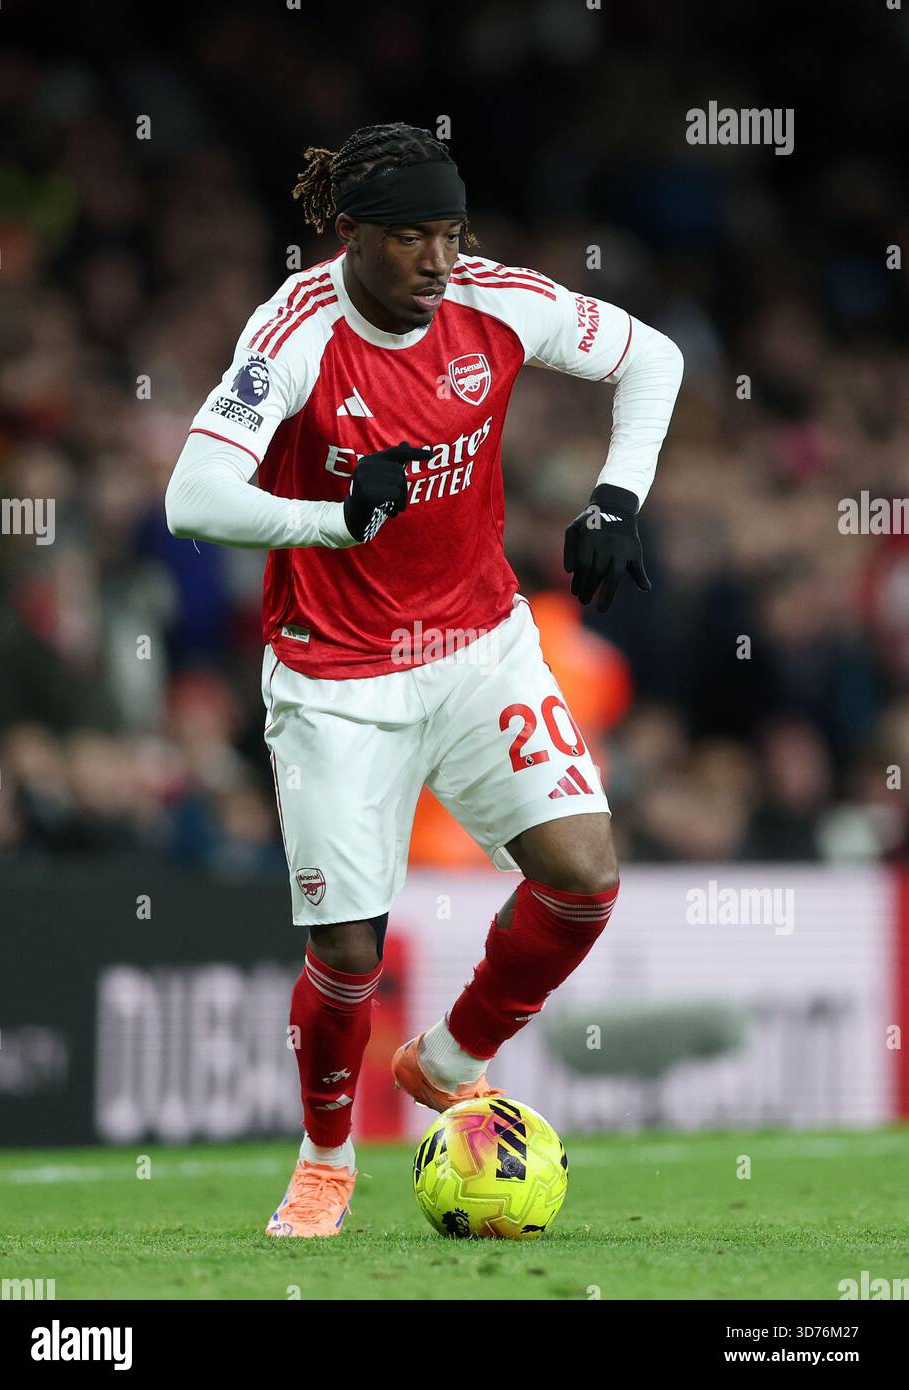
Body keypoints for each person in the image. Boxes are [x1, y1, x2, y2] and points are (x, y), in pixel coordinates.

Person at [164, 122, 683, 1237]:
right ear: (347, 234)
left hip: (478, 643)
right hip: (336, 673)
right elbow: (192, 496)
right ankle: (325, 1159)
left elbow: (655, 356)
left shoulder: (496, 301)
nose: (438, 260)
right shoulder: (293, 331)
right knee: (349, 948)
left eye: (450, 233)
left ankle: (450, 1057)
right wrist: (336, 519)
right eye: (409, 238)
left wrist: (615, 499)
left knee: (584, 878)